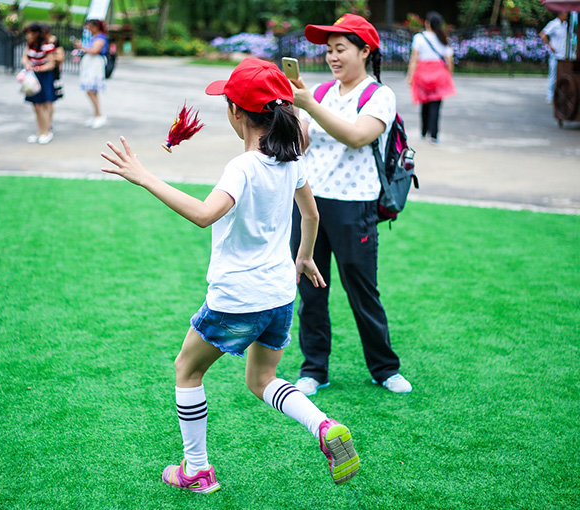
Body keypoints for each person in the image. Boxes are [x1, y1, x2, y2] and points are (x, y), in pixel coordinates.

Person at [100, 57, 360, 492]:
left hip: (237, 299)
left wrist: (145, 177)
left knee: (187, 369)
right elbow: (310, 214)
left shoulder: (243, 167)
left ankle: (197, 470)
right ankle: (323, 425)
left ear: (236, 113)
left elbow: (204, 215)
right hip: (278, 295)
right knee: (262, 380)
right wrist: (305, 256)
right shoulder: (291, 161)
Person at [287, 13, 412, 396]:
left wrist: (310, 104)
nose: (332, 57)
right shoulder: (322, 93)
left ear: (365, 51)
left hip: (355, 206)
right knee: (310, 290)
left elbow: (358, 136)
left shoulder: (379, 96)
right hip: (309, 203)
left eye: (340, 49)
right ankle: (314, 369)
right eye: (328, 51)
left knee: (362, 289)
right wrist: (295, 110)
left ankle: (385, 368)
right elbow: (303, 143)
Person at [406, 11, 456, 143]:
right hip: (439, 73)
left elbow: (414, 59)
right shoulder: (444, 39)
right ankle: (434, 134)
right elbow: (449, 61)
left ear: (427, 23)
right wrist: (448, 75)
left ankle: (423, 131)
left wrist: (410, 75)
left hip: (422, 73)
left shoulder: (419, 38)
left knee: (425, 103)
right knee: (436, 105)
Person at [21, 23, 56, 144]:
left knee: (41, 105)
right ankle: (40, 131)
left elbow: (51, 63)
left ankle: (47, 131)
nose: (27, 36)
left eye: (29, 33)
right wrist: (27, 64)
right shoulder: (30, 45)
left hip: (44, 76)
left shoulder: (46, 46)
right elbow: (24, 57)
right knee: (35, 105)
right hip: (33, 75)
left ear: (36, 34)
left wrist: (38, 68)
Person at [75, 19, 108, 129]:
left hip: (95, 66)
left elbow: (95, 51)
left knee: (91, 91)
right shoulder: (94, 37)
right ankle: (96, 115)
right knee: (92, 91)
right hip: (91, 65)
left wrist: (82, 48)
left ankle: (99, 115)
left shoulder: (100, 38)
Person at [539, 11, 569, 104]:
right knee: (553, 75)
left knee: (562, 76)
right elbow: (543, 34)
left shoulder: (565, 25)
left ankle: (559, 95)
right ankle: (550, 96)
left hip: (563, 55)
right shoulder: (554, 24)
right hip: (555, 55)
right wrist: (550, 46)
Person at [42, 24, 65, 131]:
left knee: (49, 99)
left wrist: (49, 56)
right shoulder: (39, 43)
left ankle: (48, 123)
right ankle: (44, 122)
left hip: (52, 74)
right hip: (42, 73)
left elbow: (61, 57)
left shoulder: (54, 42)